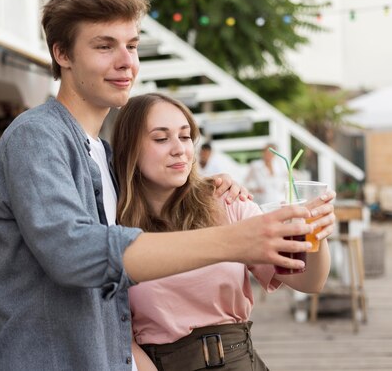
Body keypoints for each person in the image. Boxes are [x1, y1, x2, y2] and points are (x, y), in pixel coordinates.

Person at [0, 0, 330, 370]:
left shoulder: (104, 158)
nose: (125, 62)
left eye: (131, 46)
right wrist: (236, 240)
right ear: (62, 54)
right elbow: (75, 252)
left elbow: (114, 288)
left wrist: (209, 189)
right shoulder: (38, 135)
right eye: (104, 46)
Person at [112, 93, 333, 370]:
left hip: (237, 360)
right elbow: (117, 335)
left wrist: (315, 232)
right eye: (161, 138)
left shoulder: (226, 202)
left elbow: (309, 283)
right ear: (128, 148)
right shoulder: (112, 225)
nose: (179, 149)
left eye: (185, 136)